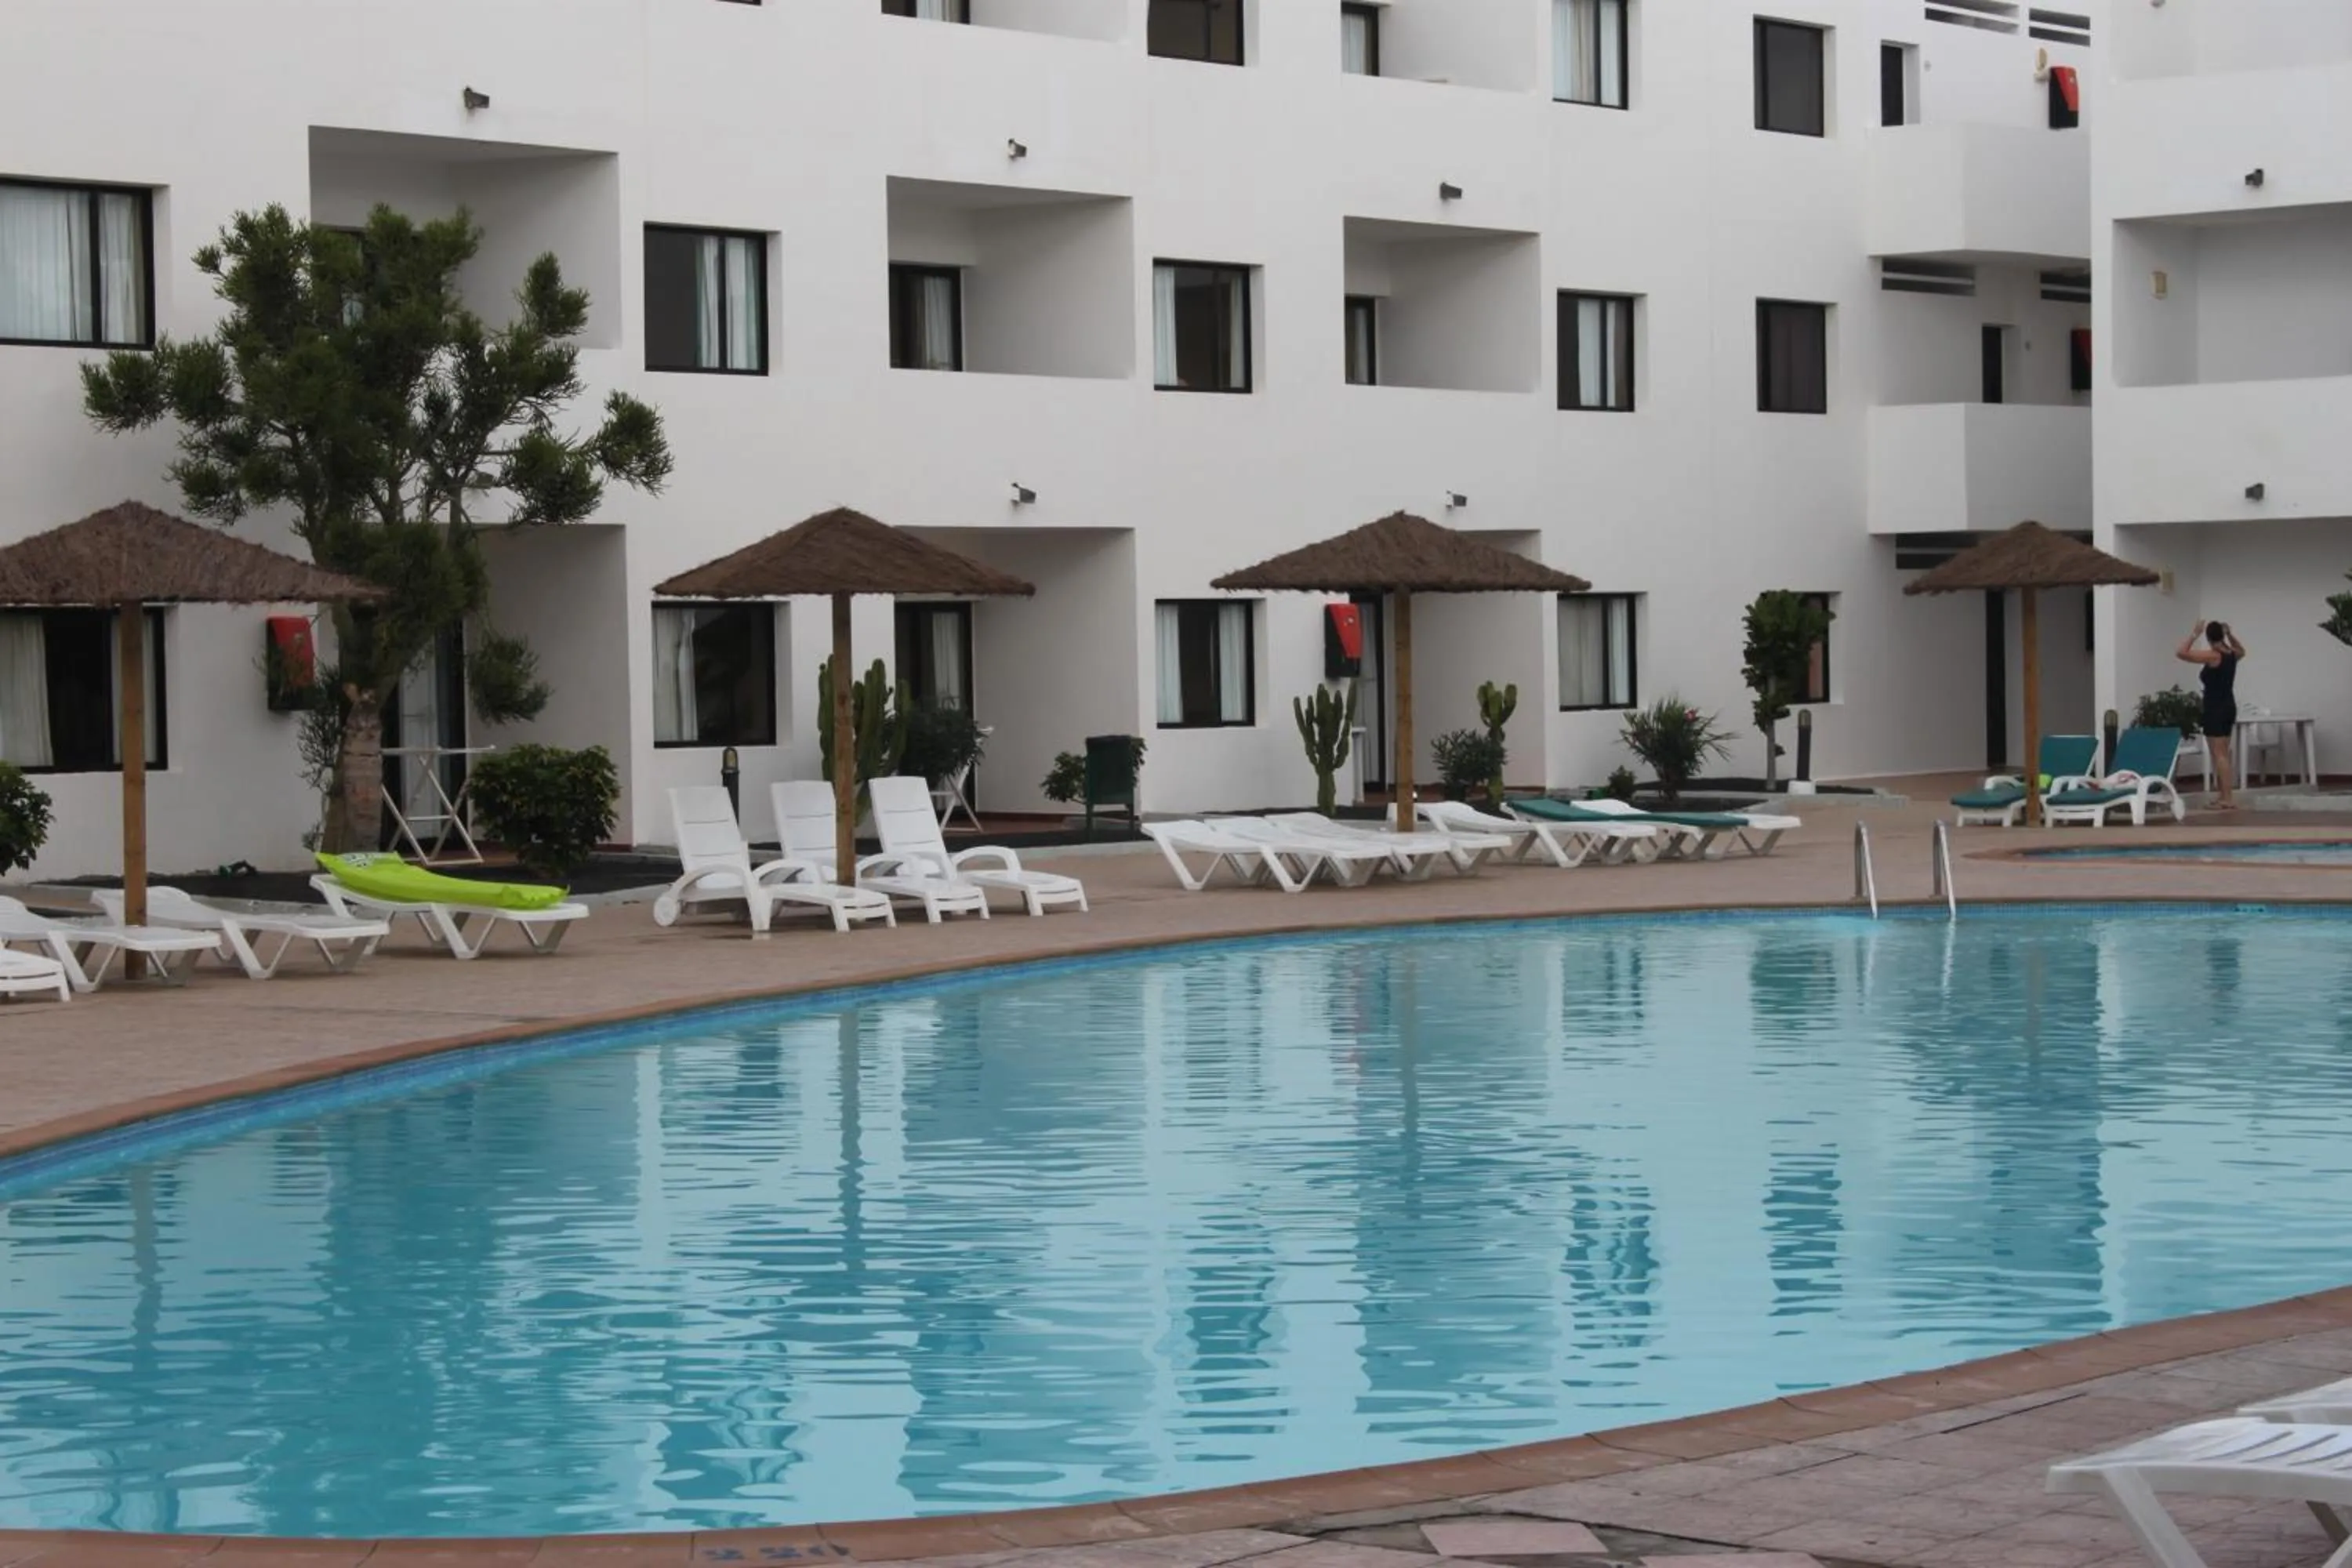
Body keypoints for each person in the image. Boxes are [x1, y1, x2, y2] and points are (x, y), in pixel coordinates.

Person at [2176, 617, 2247, 809]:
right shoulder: (2231, 654)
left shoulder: (2214, 656)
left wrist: (2194, 634)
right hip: (2228, 706)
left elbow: (2181, 653)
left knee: (2220, 754)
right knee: (2221, 754)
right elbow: (2243, 651)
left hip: (2215, 708)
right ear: (2222, 635)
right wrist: (2230, 634)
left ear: (2208, 637)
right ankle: (2224, 796)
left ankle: (2228, 799)